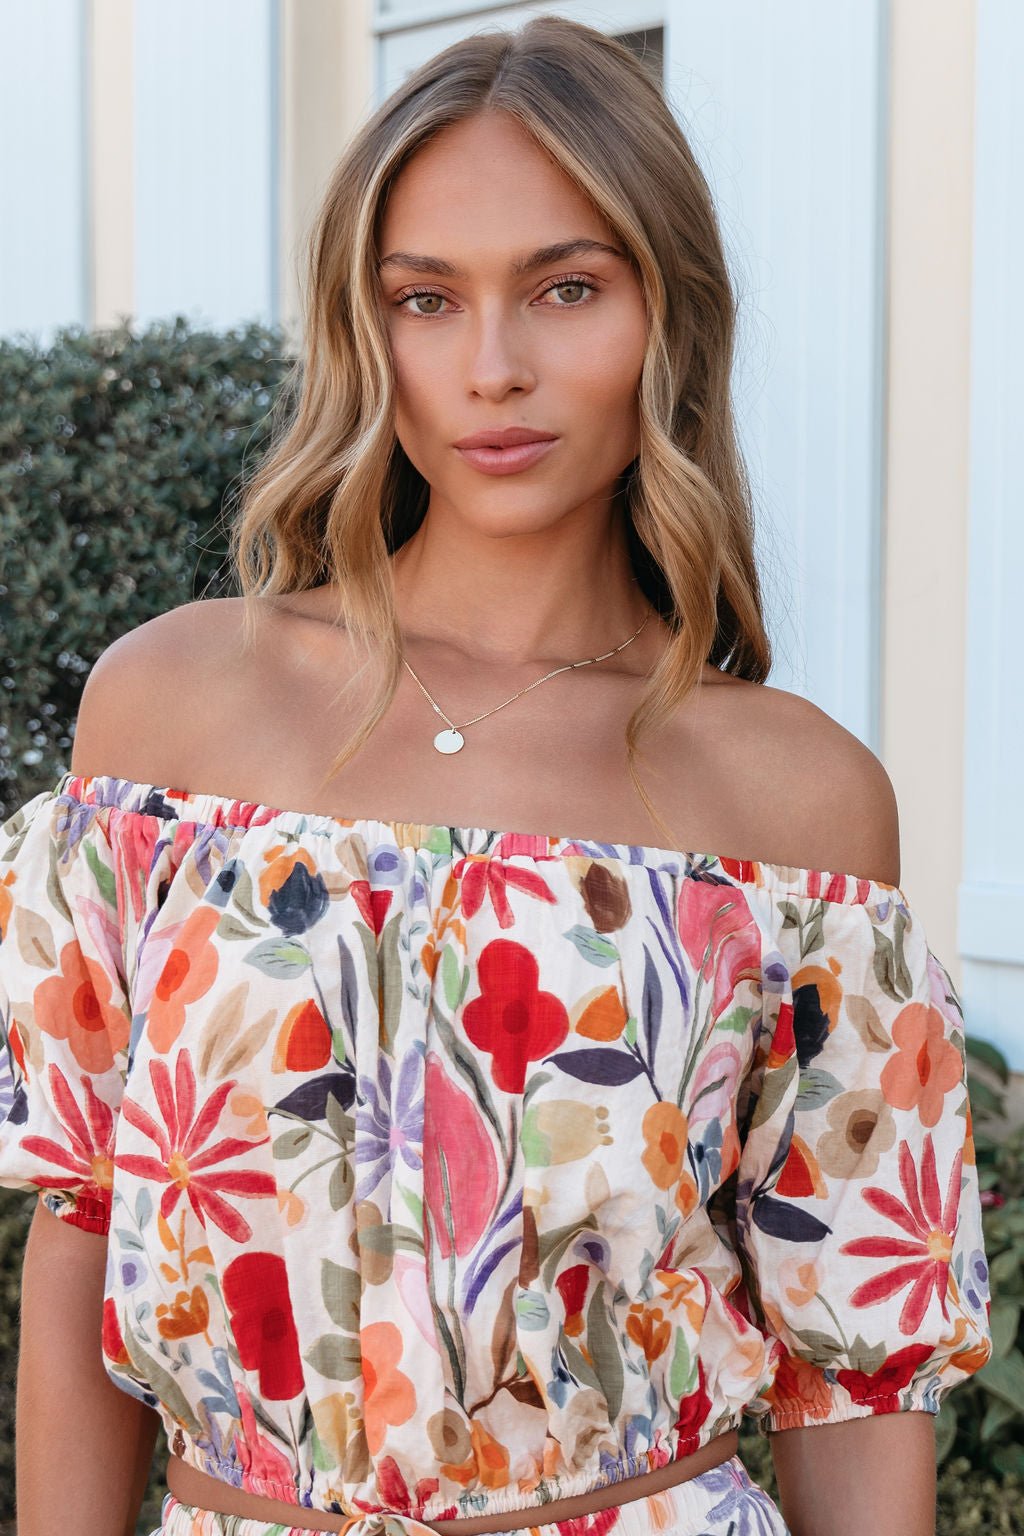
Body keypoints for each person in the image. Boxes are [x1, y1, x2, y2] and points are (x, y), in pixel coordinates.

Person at [0, 16, 992, 1536]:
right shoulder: (171, 718)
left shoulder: (796, 807)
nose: (494, 367)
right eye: (426, 298)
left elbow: (850, 1376)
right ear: (364, 324)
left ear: (671, 316)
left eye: (567, 287)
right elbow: (84, 1242)